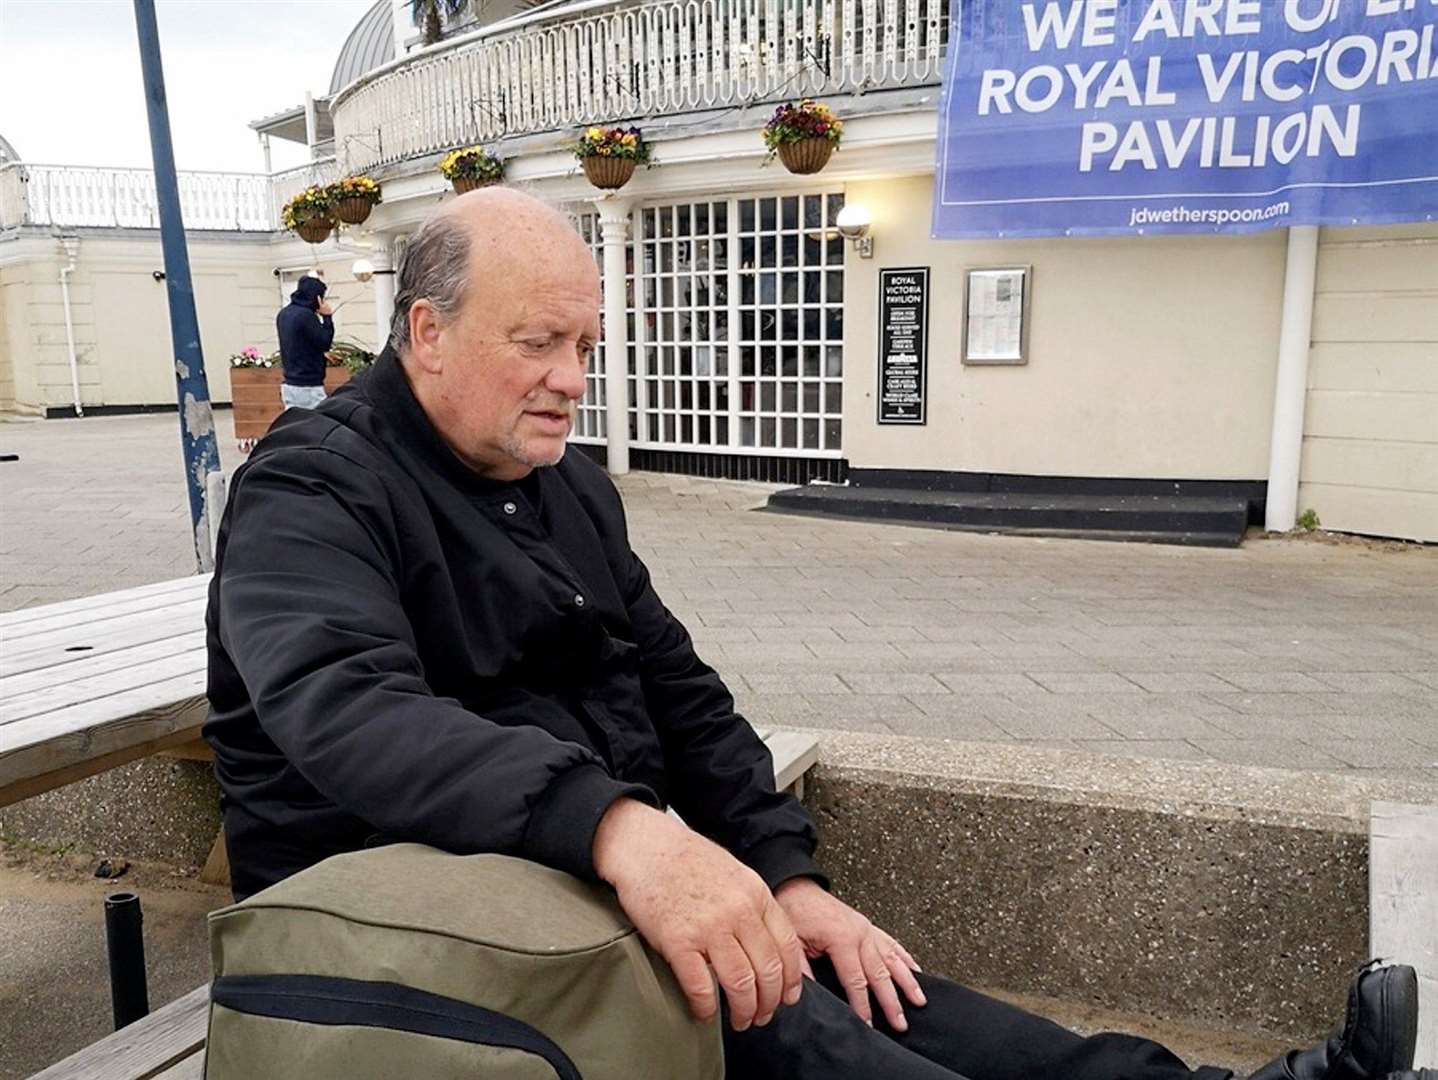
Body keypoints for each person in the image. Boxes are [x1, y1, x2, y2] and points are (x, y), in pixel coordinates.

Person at [204, 188, 1422, 1080]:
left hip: (566, 869)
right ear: (424, 332)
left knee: (881, 989)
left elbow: (679, 691)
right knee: (791, 1020)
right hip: (402, 909)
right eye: (538, 343)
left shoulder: (562, 484)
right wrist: (625, 831)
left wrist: (786, 875)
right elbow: (347, 710)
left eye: (586, 346)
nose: (574, 379)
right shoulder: (314, 487)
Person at [274, 273, 335, 409]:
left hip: (289, 383)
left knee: (294, 424)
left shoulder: (283, 314)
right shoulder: (306, 316)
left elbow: (299, 342)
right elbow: (325, 342)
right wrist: (327, 317)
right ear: (317, 298)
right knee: (318, 425)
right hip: (309, 384)